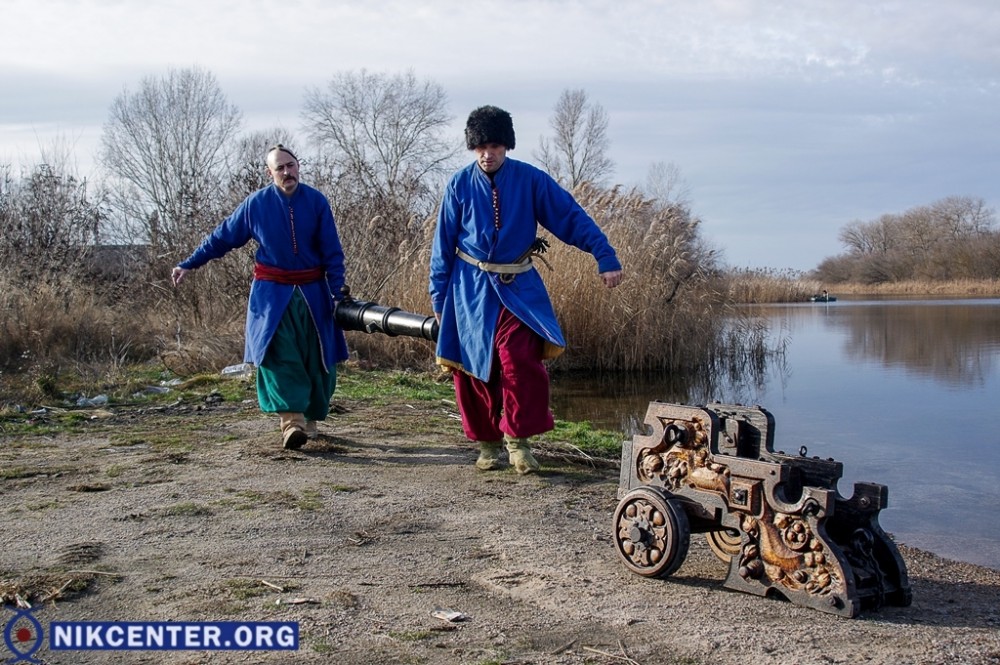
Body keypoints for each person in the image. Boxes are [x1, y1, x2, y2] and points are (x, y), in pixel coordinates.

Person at [429, 105, 623, 474]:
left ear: (507, 146)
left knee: (519, 360)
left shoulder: (531, 180)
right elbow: (442, 246)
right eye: (481, 147)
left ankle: (518, 441)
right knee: (474, 370)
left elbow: (570, 217)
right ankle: (487, 444)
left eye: (496, 146)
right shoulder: (457, 184)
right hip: (470, 290)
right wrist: (439, 297)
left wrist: (605, 255)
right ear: (473, 148)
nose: (488, 154)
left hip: (518, 288)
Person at [171, 144, 349, 449]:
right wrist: (190, 262)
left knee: (316, 359)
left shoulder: (317, 202)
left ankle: (310, 420)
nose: (287, 172)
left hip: (313, 293)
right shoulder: (257, 204)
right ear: (270, 173)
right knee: (279, 357)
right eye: (279, 168)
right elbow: (222, 237)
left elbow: (332, 250)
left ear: (298, 166)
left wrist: (337, 292)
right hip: (272, 297)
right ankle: (291, 423)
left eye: (290, 165)